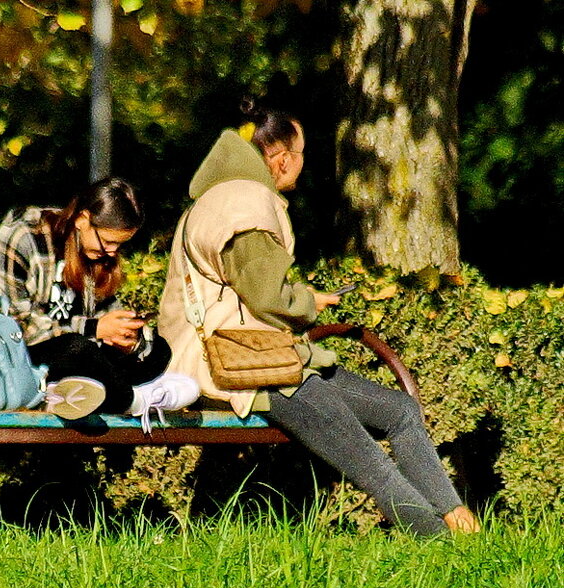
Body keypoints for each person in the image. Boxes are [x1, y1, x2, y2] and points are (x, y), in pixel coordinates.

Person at [156, 100, 479, 535]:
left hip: (265, 360)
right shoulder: (243, 205)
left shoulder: (224, 197)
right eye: (303, 153)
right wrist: (306, 303)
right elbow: (267, 296)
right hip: (246, 369)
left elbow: (249, 289)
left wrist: (304, 299)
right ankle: (442, 543)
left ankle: (456, 517)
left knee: (399, 411)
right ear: (283, 158)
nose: (303, 166)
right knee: (369, 463)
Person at [0, 177, 199, 427]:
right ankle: (135, 401)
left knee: (157, 349)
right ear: (82, 220)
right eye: (108, 241)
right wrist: (94, 328)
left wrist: (128, 340)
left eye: (120, 245)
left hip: (66, 358)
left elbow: (106, 315)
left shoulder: (95, 253)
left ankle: (70, 391)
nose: (113, 252)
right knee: (78, 348)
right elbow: (16, 325)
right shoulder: (21, 237)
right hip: (5, 356)